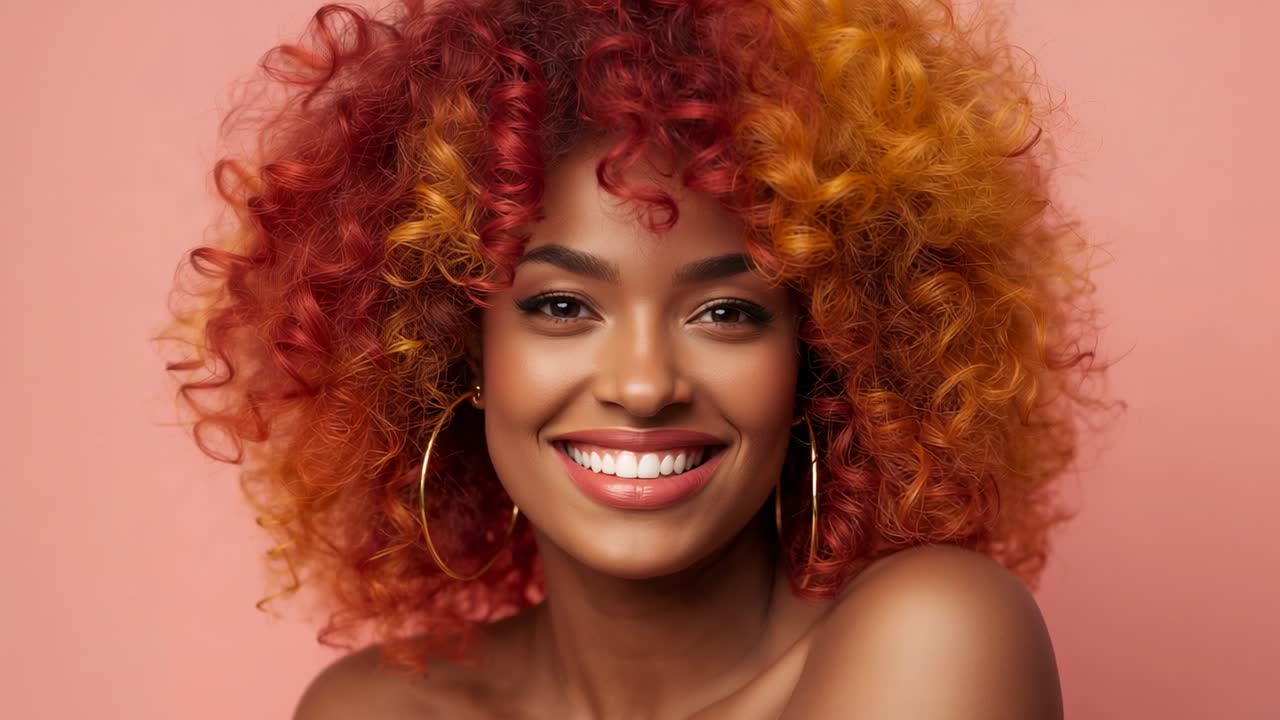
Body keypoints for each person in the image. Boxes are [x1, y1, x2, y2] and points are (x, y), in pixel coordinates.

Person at [163, 0, 1104, 716]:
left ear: (822, 358)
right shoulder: (372, 709)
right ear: (457, 352)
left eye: (728, 310)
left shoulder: (934, 641)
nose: (645, 384)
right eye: (564, 305)